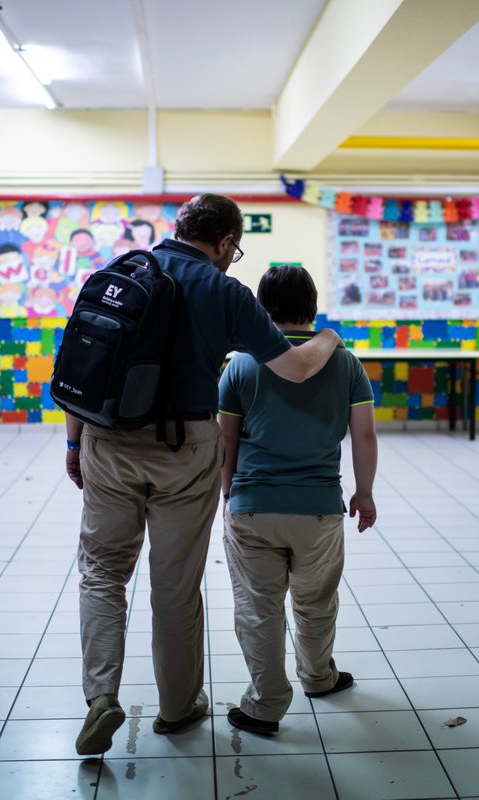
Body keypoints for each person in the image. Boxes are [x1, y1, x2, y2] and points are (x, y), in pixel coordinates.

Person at [63, 194, 345, 756]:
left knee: (101, 571)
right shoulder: (224, 291)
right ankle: (177, 708)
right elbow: (292, 369)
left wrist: (74, 444)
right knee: (174, 583)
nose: (231, 257)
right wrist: (328, 338)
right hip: (184, 446)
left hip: (105, 439)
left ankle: (101, 696)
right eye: (233, 249)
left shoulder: (118, 273)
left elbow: (82, 363)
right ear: (222, 242)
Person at [217, 265, 378, 735]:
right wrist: (363, 492)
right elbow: (363, 434)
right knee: (316, 602)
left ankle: (265, 705)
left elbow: (226, 440)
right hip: (320, 508)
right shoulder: (345, 362)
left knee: (257, 607)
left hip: (253, 506)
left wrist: (230, 494)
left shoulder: (241, 364)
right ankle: (319, 677)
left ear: (262, 309)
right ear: (312, 307)